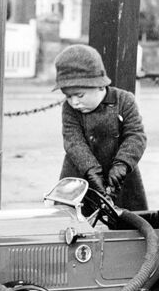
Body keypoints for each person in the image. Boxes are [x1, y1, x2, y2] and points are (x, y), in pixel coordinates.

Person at [54, 44, 148, 211]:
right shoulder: (69, 109)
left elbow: (136, 136)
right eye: (68, 96)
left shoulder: (124, 101)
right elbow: (73, 141)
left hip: (122, 180)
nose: (74, 102)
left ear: (100, 85)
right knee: (71, 224)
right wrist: (90, 170)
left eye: (80, 95)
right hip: (79, 177)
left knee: (128, 227)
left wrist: (122, 165)